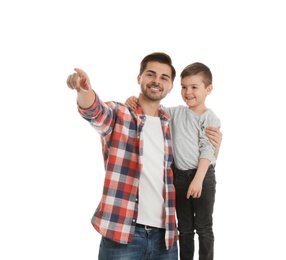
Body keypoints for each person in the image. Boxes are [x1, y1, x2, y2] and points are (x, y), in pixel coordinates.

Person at [66, 52, 179, 260]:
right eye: (151, 74)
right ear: (139, 78)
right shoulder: (120, 114)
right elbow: (95, 111)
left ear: (171, 86)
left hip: (166, 237)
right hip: (123, 233)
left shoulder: (172, 125)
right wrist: (84, 90)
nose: (156, 81)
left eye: (164, 77)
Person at [126, 62, 221, 260]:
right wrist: (133, 101)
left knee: (203, 227)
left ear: (208, 89)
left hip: (202, 176)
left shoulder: (209, 118)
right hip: (178, 178)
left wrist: (198, 179)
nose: (188, 92)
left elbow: (207, 148)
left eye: (194, 87)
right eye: (184, 87)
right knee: (184, 229)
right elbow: (152, 108)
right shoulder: (176, 113)